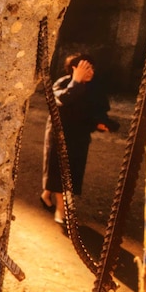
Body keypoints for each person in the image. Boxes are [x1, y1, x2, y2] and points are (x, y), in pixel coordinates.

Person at [41, 53, 117, 224]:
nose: (90, 72)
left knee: (72, 172)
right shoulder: (63, 83)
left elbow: (96, 113)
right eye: (85, 68)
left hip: (80, 138)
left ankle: (46, 193)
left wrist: (100, 124)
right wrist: (76, 82)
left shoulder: (95, 89)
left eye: (92, 68)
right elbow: (62, 100)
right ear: (74, 69)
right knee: (58, 170)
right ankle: (61, 210)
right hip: (59, 136)